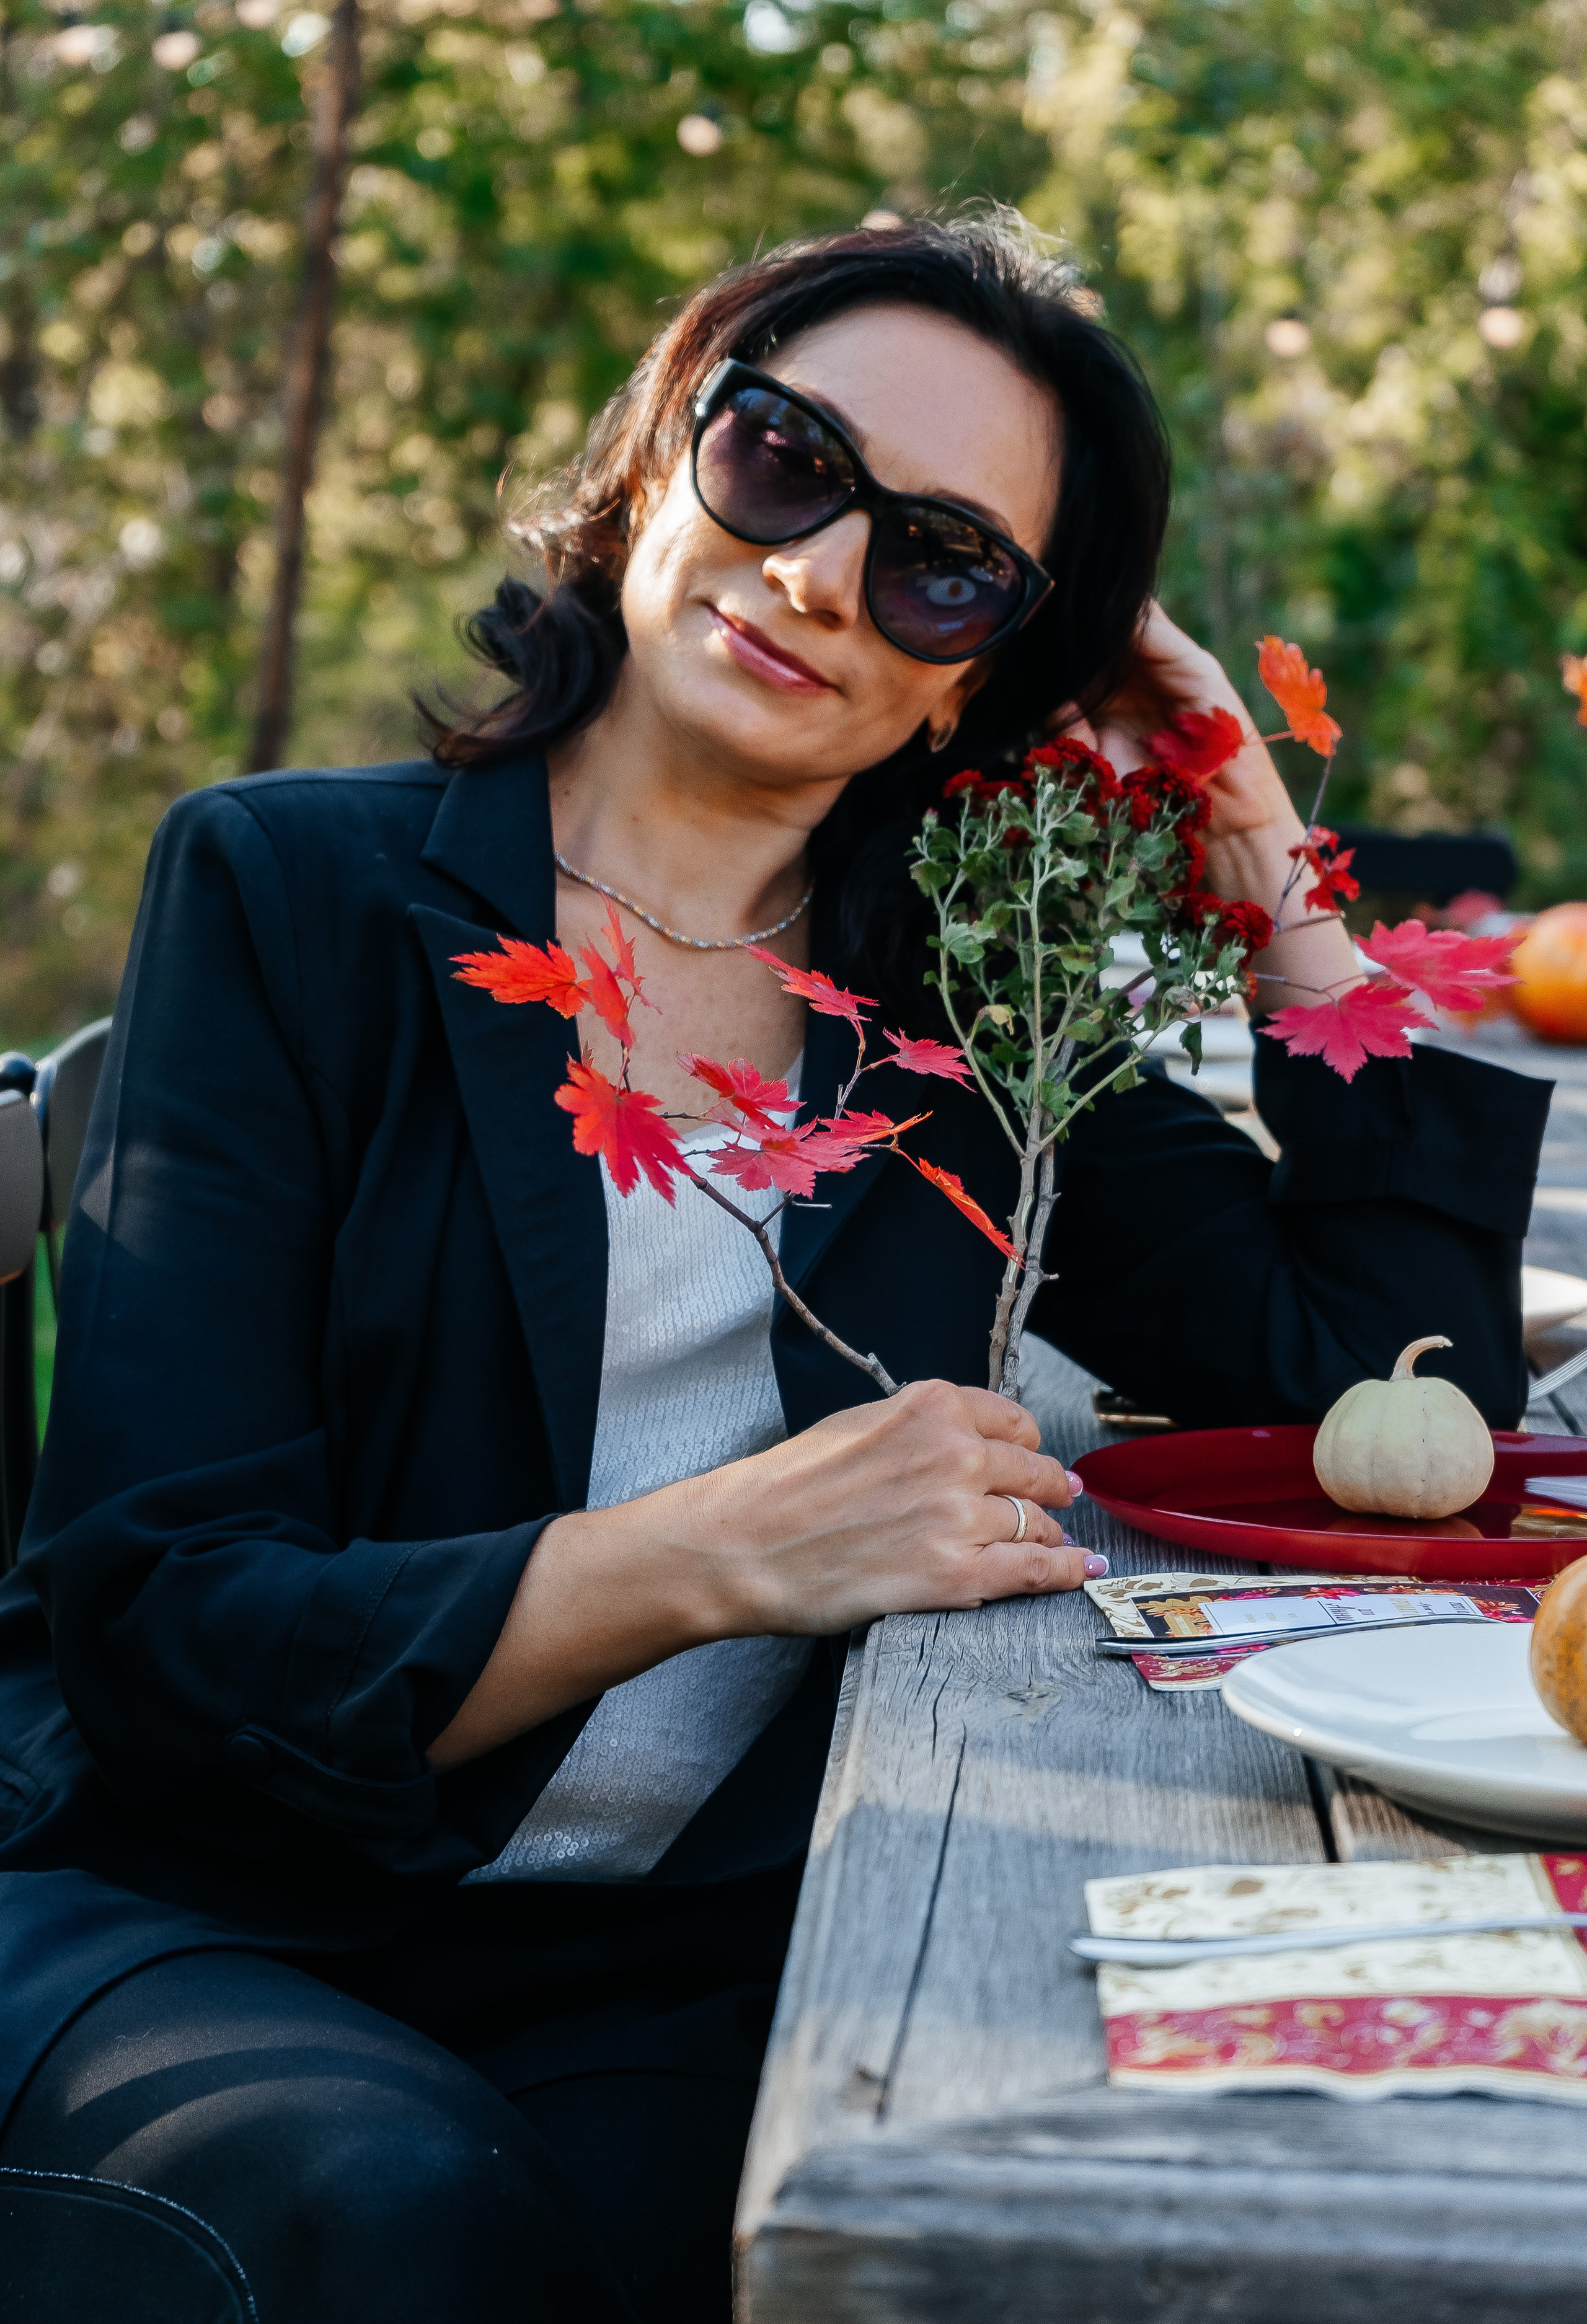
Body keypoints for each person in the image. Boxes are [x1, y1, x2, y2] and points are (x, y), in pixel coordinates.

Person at [0, 213, 1547, 2323]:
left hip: (670, 1947)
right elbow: (159, 1622)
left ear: (980, 673)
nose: (819, 570)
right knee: (402, 2212)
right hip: (223, 1906)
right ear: (663, 453)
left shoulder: (964, 1014)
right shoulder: (292, 892)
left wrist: (1257, 843)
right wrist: (722, 1551)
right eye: (784, 457)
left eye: (942, 563)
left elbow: (1378, 1392)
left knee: (1007, 2219)